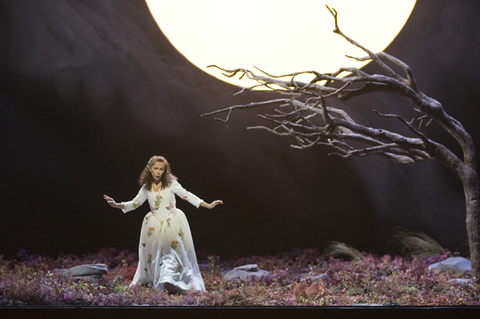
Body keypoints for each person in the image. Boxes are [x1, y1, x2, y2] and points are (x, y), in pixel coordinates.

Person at [103, 155, 222, 294]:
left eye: (161, 169)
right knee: (156, 255)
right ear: (149, 169)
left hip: (172, 223)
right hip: (154, 225)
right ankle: (163, 281)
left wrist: (207, 205)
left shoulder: (171, 184)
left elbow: (187, 195)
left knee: (170, 252)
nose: (158, 172)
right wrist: (117, 205)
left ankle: (169, 280)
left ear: (165, 170)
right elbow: (135, 203)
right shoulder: (146, 187)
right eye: (155, 169)